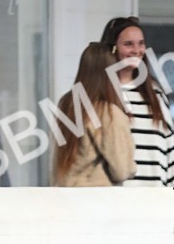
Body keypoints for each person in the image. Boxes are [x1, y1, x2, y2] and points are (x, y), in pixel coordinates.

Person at [100, 16, 174, 186]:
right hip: (116, 196)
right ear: (112, 48)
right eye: (128, 44)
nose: (136, 50)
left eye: (141, 43)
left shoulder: (156, 94)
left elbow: (171, 150)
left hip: (155, 194)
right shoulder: (100, 95)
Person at [53, 42, 136, 187]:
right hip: (95, 195)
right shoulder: (108, 113)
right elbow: (122, 170)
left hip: (65, 193)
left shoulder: (67, 104)